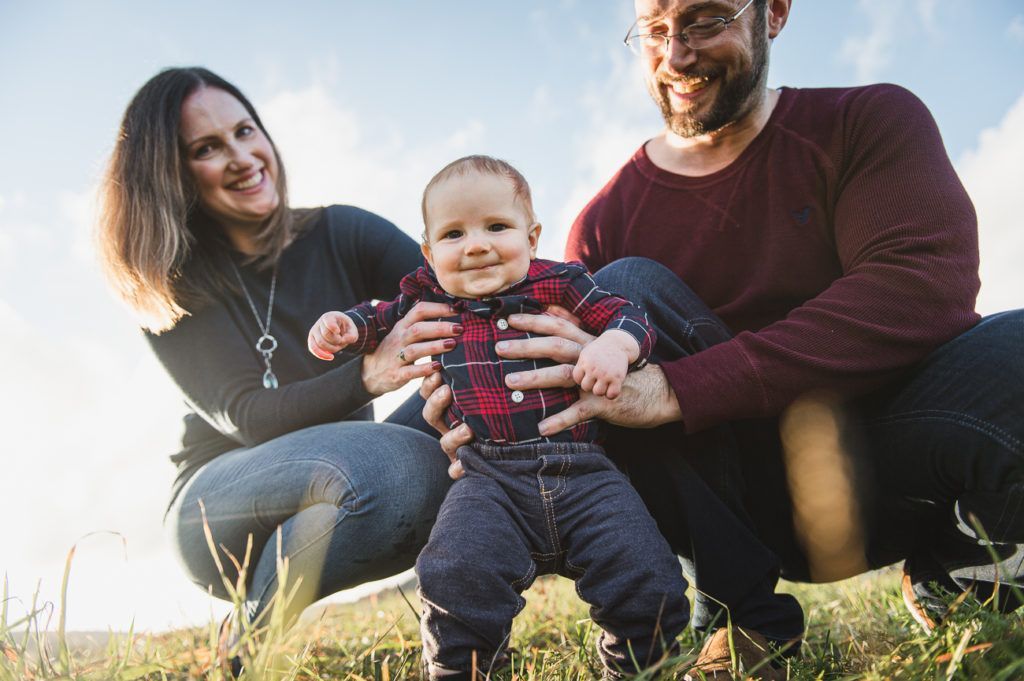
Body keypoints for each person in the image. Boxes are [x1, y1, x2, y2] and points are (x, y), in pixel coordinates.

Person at [421, 1, 1024, 678]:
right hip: (723, 501)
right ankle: (736, 615)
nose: (675, 56)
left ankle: (967, 566)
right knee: (629, 286)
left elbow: (921, 286)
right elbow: (566, 387)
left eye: (706, 18)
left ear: (774, 12)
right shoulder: (605, 221)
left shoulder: (870, 119)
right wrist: (469, 393)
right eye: (654, 30)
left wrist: (680, 386)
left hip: (888, 459)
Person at [95, 67, 460, 674]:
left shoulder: (344, 231)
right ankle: (248, 655)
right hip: (220, 504)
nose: (242, 157)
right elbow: (247, 417)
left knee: (439, 435)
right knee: (398, 467)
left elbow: (457, 295)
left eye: (245, 131)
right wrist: (368, 375)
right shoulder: (170, 279)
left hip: (347, 471)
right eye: (207, 148)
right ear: (172, 175)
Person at [309, 155, 689, 679]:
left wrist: (617, 346)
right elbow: (375, 318)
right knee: (453, 574)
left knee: (647, 577)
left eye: (496, 226)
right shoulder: (427, 297)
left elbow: (630, 315)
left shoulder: (561, 283)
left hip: (585, 472)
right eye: (453, 234)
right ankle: (465, 669)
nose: (476, 244)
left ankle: (642, 670)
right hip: (487, 478)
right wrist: (344, 326)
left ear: (532, 237)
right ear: (429, 252)